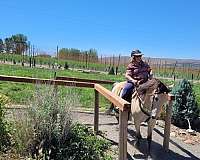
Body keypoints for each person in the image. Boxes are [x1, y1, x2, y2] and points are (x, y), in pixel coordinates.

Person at [106, 49, 152, 115]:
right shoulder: (131, 65)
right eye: (137, 56)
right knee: (126, 89)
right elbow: (127, 75)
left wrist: (151, 73)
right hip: (134, 82)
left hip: (145, 82)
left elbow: (149, 70)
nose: (139, 57)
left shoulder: (145, 64)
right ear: (133, 57)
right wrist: (133, 80)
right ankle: (120, 105)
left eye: (140, 56)